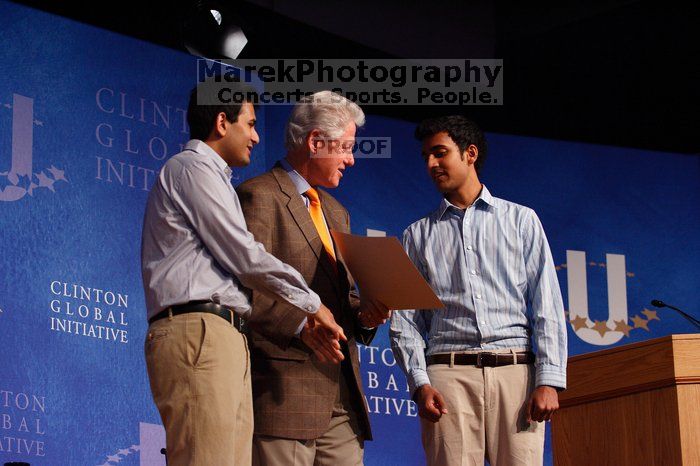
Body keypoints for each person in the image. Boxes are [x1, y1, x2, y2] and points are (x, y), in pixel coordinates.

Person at [141, 79, 345, 466]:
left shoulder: (215, 177)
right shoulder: (191, 168)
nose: (255, 136)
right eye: (249, 124)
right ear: (222, 122)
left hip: (224, 333)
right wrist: (312, 303)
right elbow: (244, 254)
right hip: (198, 331)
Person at [389, 115, 568, 466]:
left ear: (470, 153)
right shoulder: (417, 235)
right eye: (426, 156)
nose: (431, 164)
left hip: (516, 375)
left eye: (440, 153)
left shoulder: (521, 220)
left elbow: (546, 302)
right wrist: (420, 382)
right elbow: (405, 320)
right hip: (447, 375)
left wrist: (549, 379)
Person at [237, 91, 391, 466]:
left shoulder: (337, 213)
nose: (351, 159)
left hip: (342, 396)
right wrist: (301, 325)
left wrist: (365, 316)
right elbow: (244, 289)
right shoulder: (259, 196)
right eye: (346, 147)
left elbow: (345, 298)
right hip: (284, 391)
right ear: (315, 141)